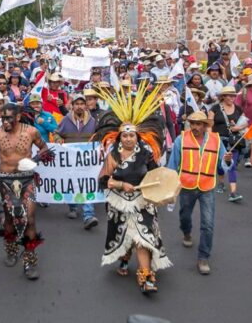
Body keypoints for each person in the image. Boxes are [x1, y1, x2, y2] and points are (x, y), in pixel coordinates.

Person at [95, 83, 172, 294]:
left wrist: (166, 193)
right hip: (118, 202)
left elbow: (156, 177)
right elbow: (102, 180)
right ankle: (124, 257)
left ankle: (146, 277)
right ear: (120, 137)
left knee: (143, 238)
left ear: (138, 136)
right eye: (125, 135)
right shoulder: (114, 156)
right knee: (125, 236)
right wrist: (121, 184)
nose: (129, 138)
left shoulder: (146, 155)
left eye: (132, 135)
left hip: (142, 202)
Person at [0, 103, 53, 280]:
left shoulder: (31, 132)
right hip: (5, 180)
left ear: (18, 117)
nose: (4, 121)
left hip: (27, 180)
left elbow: (45, 148)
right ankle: (11, 249)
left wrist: (35, 159)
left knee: (29, 219)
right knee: (8, 218)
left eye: (8, 118)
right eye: (3, 118)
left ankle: (29, 260)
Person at [168, 111, 233, 275]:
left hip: (207, 186)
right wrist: (169, 186)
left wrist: (227, 161)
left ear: (205, 125)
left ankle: (203, 257)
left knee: (208, 224)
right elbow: (172, 165)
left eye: (199, 124)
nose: (195, 127)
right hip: (187, 186)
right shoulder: (180, 140)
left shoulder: (216, 141)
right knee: (184, 216)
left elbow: (224, 164)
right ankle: (187, 232)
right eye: (193, 123)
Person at [58, 93, 98, 229]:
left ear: (86, 106)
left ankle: (88, 215)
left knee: (86, 184)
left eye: (82, 104)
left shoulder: (93, 122)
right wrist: (59, 141)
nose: (79, 106)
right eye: (77, 104)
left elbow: (99, 136)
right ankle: (73, 207)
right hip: (70, 160)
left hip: (86, 162)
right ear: (72, 106)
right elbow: (57, 132)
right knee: (71, 184)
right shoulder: (65, 120)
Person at [207, 86, 247, 202]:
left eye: (234, 95)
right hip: (219, 140)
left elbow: (246, 122)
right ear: (223, 97)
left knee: (232, 165)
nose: (232, 98)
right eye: (229, 95)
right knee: (220, 165)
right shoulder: (214, 108)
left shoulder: (239, 109)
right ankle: (220, 182)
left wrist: (237, 127)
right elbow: (209, 125)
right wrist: (211, 139)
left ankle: (233, 193)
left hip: (233, 141)